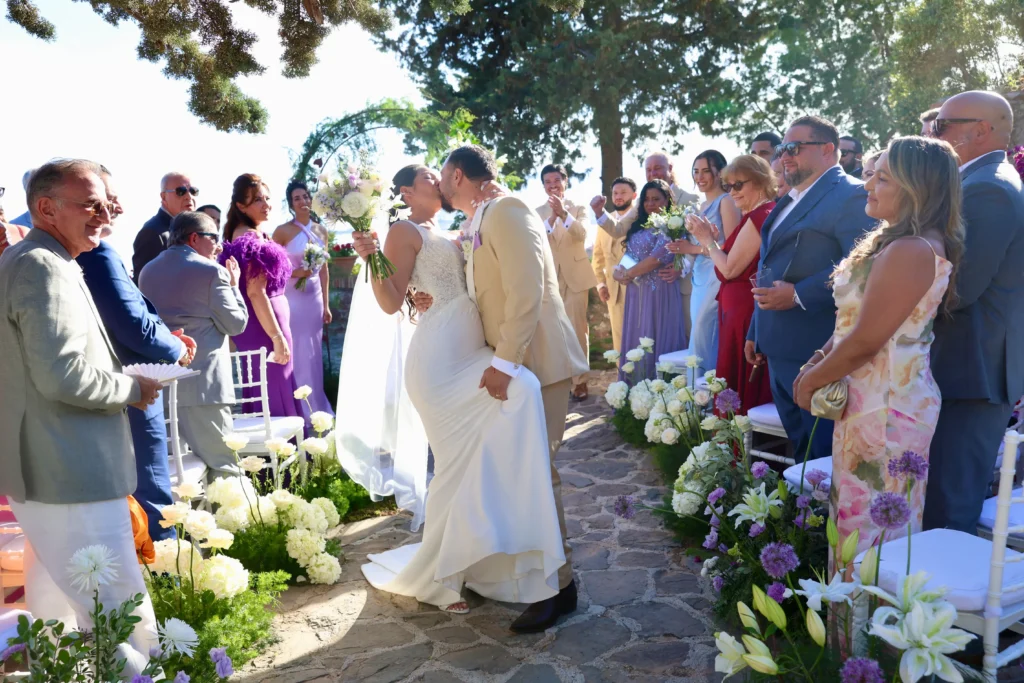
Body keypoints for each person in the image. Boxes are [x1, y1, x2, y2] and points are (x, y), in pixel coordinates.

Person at [346, 152, 585, 633]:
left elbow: (519, 286)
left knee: (525, 465)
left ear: (457, 177)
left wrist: (501, 359)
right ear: (407, 193)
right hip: (449, 359)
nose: (436, 180)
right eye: (425, 178)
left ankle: (545, 583)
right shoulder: (427, 228)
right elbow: (397, 298)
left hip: (510, 354)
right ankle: (535, 578)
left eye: (440, 175)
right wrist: (374, 259)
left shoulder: (493, 213)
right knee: (480, 463)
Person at [0, 159, 162, 670]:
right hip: (70, 468)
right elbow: (62, 374)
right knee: (118, 609)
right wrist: (133, 388)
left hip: (50, 467)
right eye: (90, 203)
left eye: (104, 202)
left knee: (55, 607)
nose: (104, 212)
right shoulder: (41, 266)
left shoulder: (37, 258)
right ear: (46, 208)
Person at [794, 137, 963, 563]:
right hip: (870, 400)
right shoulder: (894, 242)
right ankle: (848, 625)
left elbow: (868, 341)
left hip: (888, 407)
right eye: (871, 173)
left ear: (915, 187)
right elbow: (852, 323)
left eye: (882, 177)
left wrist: (810, 382)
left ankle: (866, 627)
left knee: (873, 530)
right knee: (855, 522)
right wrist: (816, 361)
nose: (868, 183)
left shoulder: (911, 250)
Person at [746, 115, 876, 462]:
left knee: (821, 452)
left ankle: (822, 516)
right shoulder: (788, 199)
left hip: (816, 345)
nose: (784, 156)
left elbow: (861, 266)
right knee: (800, 451)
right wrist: (755, 329)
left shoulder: (851, 195)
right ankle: (805, 516)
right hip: (776, 344)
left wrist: (799, 293)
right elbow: (766, 266)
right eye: (782, 149)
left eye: (794, 148)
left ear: (828, 149)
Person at [76, 167, 195, 541]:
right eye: (107, 199)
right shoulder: (98, 255)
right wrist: (175, 347)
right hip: (133, 387)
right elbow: (131, 324)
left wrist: (165, 333)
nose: (118, 207)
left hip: (127, 383)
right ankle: (168, 582)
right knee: (150, 492)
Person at [924, 90, 1024, 532]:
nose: (933, 133)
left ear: (982, 130)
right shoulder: (976, 181)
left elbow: (961, 287)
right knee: (939, 493)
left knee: (950, 503)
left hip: (973, 368)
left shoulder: (990, 188)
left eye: (943, 125)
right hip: (964, 362)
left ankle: (937, 600)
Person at [140, 212, 249, 475]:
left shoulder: (147, 271)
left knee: (175, 473)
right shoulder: (213, 272)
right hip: (206, 387)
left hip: (161, 389)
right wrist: (234, 286)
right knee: (224, 466)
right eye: (215, 238)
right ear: (194, 238)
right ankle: (233, 516)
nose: (219, 246)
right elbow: (237, 324)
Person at [688, 155, 776, 413]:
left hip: (743, 314)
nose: (732, 192)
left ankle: (735, 446)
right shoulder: (756, 213)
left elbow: (729, 269)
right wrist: (718, 242)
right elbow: (733, 257)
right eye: (728, 186)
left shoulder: (759, 215)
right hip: (737, 311)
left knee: (738, 383)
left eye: (739, 185)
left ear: (760, 181)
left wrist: (707, 241)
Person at [218, 173, 303, 418]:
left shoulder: (247, 233)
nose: (266, 204)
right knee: (275, 389)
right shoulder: (249, 237)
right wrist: (276, 337)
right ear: (240, 206)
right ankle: (283, 449)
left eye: (267, 198)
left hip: (265, 323)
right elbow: (255, 292)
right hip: (265, 327)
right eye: (257, 200)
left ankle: (274, 452)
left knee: (270, 388)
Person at [590, 151, 695, 336]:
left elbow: (696, 240)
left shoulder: (690, 199)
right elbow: (619, 230)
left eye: (658, 168)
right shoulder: (642, 203)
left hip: (679, 283)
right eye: (648, 169)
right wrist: (600, 213)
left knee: (681, 336)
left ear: (670, 169)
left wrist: (683, 267)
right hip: (642, 289)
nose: (653, 173)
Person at [667, 150, 741, 371]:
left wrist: (691, 247)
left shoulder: (726, 202)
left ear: (720, 173)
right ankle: (695, 395)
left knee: (704, 331)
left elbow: (731, 247)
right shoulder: (700, 206)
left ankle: (708, 394)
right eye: (696, 171)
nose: (699, 177)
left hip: (716, 276)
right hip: (698, 276)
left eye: (706, 171)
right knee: (698, 334)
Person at [613, 180, 688, 378]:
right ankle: (634, 399)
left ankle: (662, 395)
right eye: (647, 199)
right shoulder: (638, 227)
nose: (651, 203)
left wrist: (629, 274)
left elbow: (656, 259)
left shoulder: (672, 226)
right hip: (636, 294)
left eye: (656, 199)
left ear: (667, 200)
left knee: (658, 339)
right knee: (636, 339)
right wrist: (618, 272)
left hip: (660, 293)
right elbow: (629, 257)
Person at [535, 164, 596, 401]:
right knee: (552, 330)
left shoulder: (578, 208)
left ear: (565, 181)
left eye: (557, 180)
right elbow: (537, 240)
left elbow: (582, 235)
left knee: (577, 329)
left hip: (575, 277)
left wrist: (563, 213)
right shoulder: (537, 211)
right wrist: (551, 217)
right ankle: (559, 380)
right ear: (543, 186)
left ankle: (580, 381)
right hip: (548, 277)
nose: (553, 185)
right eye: (548, 181)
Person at [273, 181, 333, 417]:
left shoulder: (321, 231)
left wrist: (326, 305)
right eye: (297, 198)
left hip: (315, 297)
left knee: (313, 353)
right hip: (293, 297)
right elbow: (272, 267)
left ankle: (317, 406)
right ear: (291, 204)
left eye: (306, 196)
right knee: (296, 349)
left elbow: (325, 269)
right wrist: (297, 272)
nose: (303, 201)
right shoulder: (282, 231)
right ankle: (297, 407)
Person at [591, 177, 634, 352]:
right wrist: (601, 284)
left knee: (638, 338)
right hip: (612, 292)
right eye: (615, 193)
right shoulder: (604, 221)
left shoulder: (639, 220)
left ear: (634, 195)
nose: (619, 197)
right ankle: (622, 378)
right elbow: (598, 256)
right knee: (619, 341)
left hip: (635, 288)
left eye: (623, 192)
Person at [132, 171, 198, 283]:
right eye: (181, 191)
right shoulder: (153, 232)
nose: (189, 196)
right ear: (163, 197)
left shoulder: (190, 228)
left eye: (193, 191)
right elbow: (144, 284)